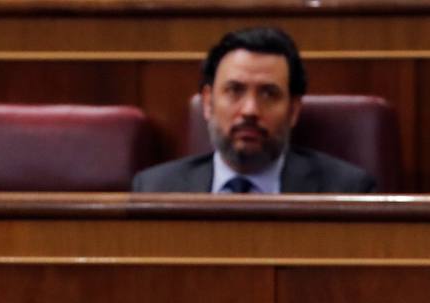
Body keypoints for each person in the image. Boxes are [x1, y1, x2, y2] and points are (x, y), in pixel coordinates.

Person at [131, 26, 377, 194]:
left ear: (293, 111)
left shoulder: (346, 191)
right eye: (234, 90)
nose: (249, 110)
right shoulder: (155, 189)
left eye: (269, 94)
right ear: (208, 103)